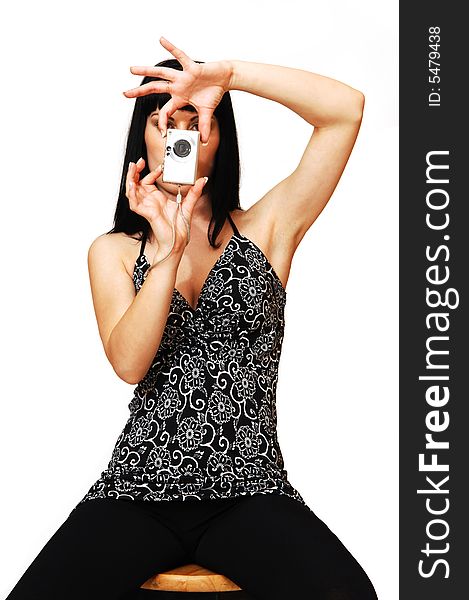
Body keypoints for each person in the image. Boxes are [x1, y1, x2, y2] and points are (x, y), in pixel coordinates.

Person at [6, 36, 378, 600]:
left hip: (250, 488)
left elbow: (344, 112)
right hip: (138, 488)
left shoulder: (267, 229)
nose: (179, 133)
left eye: (194, 119)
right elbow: (130, 364)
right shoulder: (113, 251)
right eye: (162, 123)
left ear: (217, 136)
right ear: (145, 143)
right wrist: (169, 248)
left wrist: (226, 76)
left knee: (349, 594)